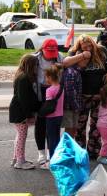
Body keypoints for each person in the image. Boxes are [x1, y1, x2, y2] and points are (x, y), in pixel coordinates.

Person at [32, 38, 80, 166]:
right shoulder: (35, 59)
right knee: (40, 124)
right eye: (49, 53)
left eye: (53, 53)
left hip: (53, 90)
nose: (51, 57)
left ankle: (50, 153)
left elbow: (68, 63)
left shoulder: (59, 56)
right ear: (42, 49)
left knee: (51, 129)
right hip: (39, 91)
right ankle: (41, 153)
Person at [69, 35, 107, 159]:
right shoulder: (75, 52)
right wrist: (81, 55)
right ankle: (80, 152)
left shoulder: (102, 50)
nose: (88, 48)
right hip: (82, 96)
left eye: (90, 45)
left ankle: (94, 152)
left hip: (99, 95)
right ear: (80, 46)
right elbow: (66, 63)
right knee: (80, 126)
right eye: (85, 46)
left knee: (96, 126)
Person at [8, 54, 39, 170]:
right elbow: (24, 99)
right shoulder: (24, 78)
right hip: (20, 112)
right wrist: (28, 115)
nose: (37, 68)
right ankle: (20, 161)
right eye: (36, 65)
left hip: (17, 110)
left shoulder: (21, 76)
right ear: (30, 66)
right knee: (22, 136)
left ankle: (16, 158)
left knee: (19, 135)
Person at [43, 66, 64, 160]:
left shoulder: (49, 90)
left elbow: (48, 105)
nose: (45, 79)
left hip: (51, 117)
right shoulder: (61, 88)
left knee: (51, 139)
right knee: (57, 137)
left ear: (50, 77)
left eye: (46, 77)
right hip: (60, 116)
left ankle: (52, 159)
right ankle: (58, 157)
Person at [61, 64, 82, 140]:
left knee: (73, 130)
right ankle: (67, 150)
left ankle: (69, 148)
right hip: (69, 107)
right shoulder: (71, 72)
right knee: (69, 130)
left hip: (73, 106)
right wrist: (76, 106)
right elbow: (69, 92)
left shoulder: (76, 71)